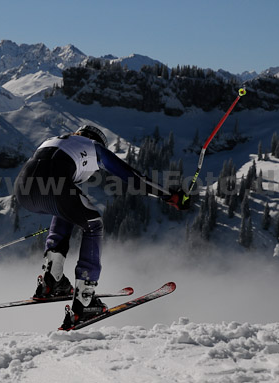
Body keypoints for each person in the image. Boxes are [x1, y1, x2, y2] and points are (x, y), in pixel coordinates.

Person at [14, 125, 190, 329]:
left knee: (67, 212)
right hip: (54, 187)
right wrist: (170, 195)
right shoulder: (93, 146)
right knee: (93, 224)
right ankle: (85, 300)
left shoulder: (55, 141)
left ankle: (52, 280)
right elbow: (133, 178)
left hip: (23, 191)